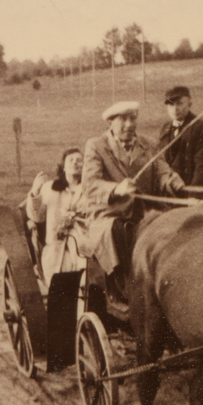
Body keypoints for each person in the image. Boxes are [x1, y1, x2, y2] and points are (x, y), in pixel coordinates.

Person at [82, 101, 185, 299]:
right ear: (110, 122)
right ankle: (124, 285)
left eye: (133, 118)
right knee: (120, 230)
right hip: (110, 214)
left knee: (174, 227)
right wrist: (116, 189)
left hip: (146, 210)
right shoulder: (96, 146)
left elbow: (162, 171)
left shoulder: (149, 144)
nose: (129, 124)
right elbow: (90, 184)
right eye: (123, 119)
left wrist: (172, 181)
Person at [25, 148, 87, 283]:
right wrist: (35, 191)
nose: (75, 163)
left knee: (85, 277)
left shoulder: (90, 189)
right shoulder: (50, 188)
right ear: (63, 167)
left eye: (79, 160)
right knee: (59, 278)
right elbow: (37, 217)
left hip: (82, 248)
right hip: (55, 249)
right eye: (70, 160)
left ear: (85, 166)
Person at [158, 86, 203, 197]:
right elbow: (161, 163)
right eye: (171, 104)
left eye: (180, 103)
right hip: (171, 194)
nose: (175, 109)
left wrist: (195, 195)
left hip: (195, 195)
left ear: (189, 104)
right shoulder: (165, 128)